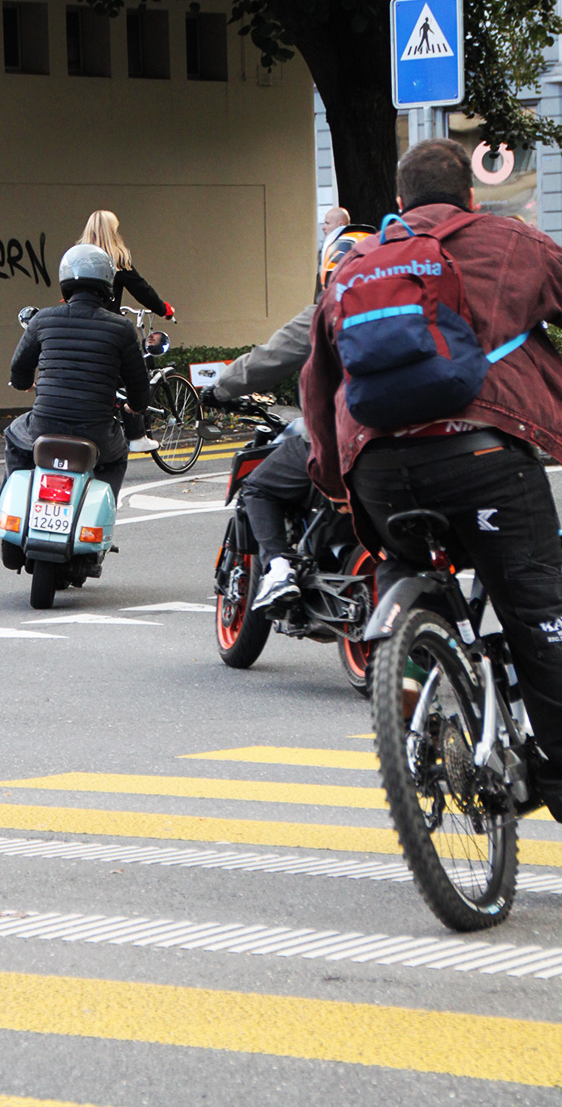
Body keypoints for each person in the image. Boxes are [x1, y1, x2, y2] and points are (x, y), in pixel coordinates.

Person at [301, 137, 562, 820]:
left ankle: (415, 711)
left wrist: (335, 480)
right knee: (540, 615)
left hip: (381, 474)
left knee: (404, 575)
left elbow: (317, 383)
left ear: (398, 204)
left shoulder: (356, 267)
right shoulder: (512, 241)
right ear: (471, 198)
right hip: (485, 461)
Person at [202, 223, 373, 611]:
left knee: (258, 488)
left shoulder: (325, 312)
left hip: (339, 439)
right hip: (402, 441)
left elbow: (267, 359)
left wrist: (221, 388)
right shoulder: (408, 311)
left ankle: (279, 569)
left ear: (328, 270)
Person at [4, 243, 149, 502]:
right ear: (107, 283)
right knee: (116, 458)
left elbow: (18, 369)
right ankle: (99, 516)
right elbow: (139, 387)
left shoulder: (43, 319)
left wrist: (25, 384)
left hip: (43, 426)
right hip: (97, 432)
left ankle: (12, 506)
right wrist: (134, 407)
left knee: (15, 437)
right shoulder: (122, 328)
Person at [77, 210, 175, 453]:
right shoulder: (116, 258)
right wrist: (164, 309)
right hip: (106, 328)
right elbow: (141, 290)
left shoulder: (78, 259)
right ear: (112, 232)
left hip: (79, 326)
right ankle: (136, 435)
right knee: (133, 374)